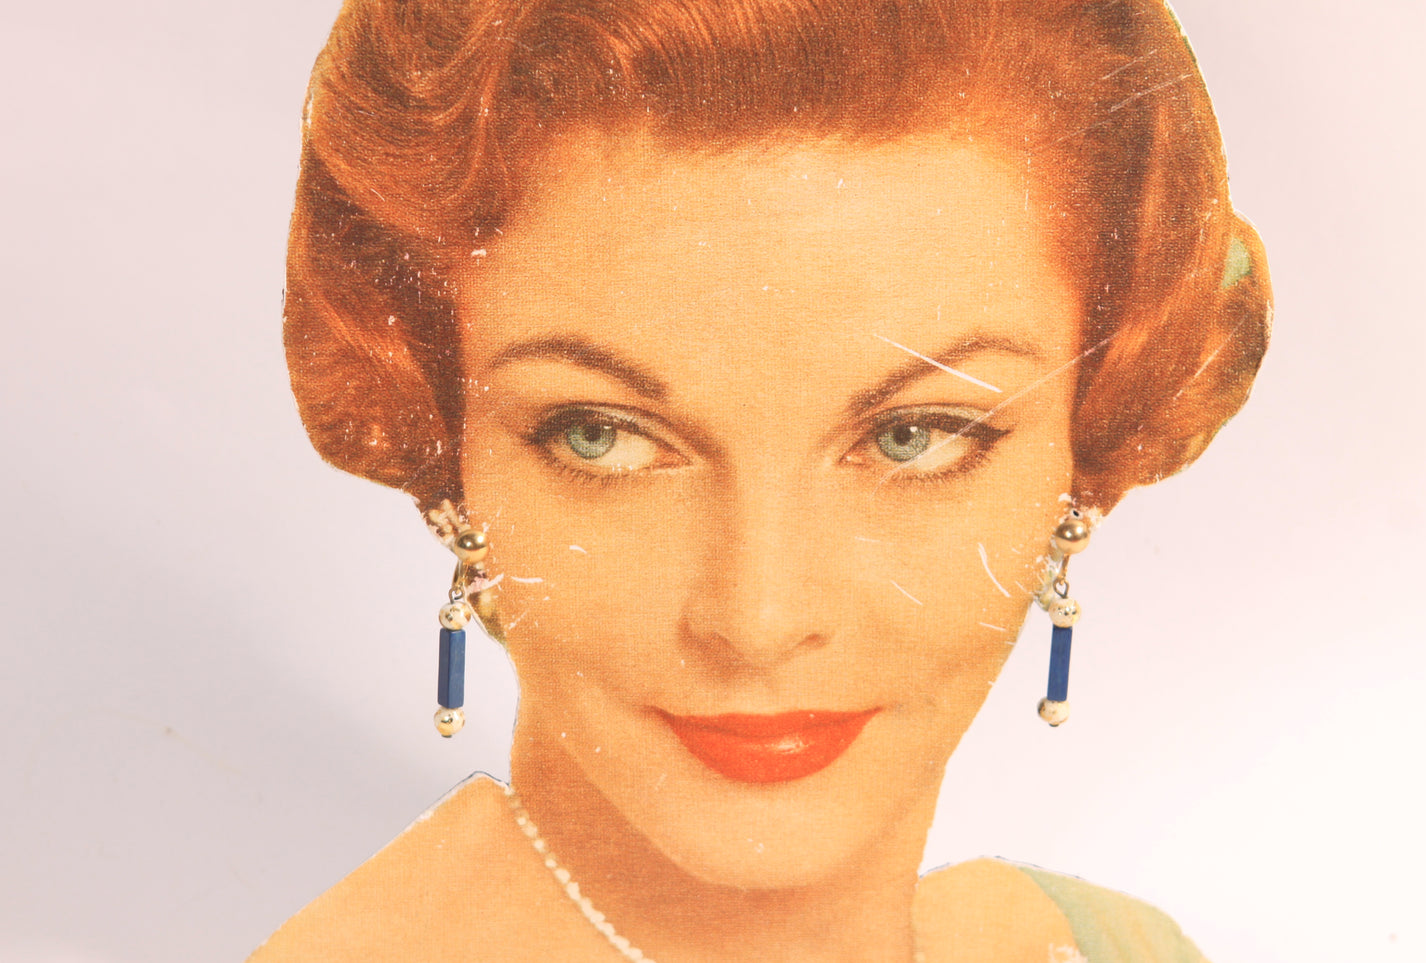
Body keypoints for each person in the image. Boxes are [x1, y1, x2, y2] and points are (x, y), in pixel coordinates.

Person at [254, 0, 1271, 959]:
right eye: (601, 437)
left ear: (1085, 446)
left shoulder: (1100, 943)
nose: (758, 619)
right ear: (446, 451)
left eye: (912, 436)